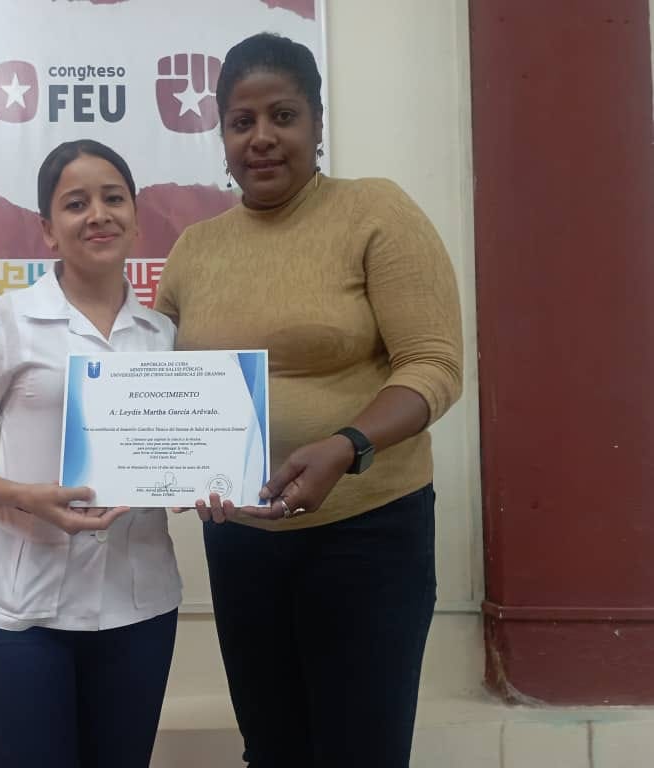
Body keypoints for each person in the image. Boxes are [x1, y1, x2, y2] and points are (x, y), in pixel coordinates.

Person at [154, 33, 463, 768]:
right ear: (222, 136)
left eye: (282, 116)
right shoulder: (194, 248)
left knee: (361, 750)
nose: (261, 138)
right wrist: (157, 463)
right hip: (241, 540)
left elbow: (434, 366)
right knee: (273, 747)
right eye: (240, 122)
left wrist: (345, 446)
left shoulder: (375, 212)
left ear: (317, 125)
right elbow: (155, 380)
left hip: (366, 534)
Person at [0, 139, 181, 768]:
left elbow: (173, 458)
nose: (98, 214)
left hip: (140, 607)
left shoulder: (166, 337)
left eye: (113, 198)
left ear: (136, 215)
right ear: (48, 230)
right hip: (18, 615)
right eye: (75, 203)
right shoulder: (7, 321)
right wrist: (24, 496)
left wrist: (203, 483)